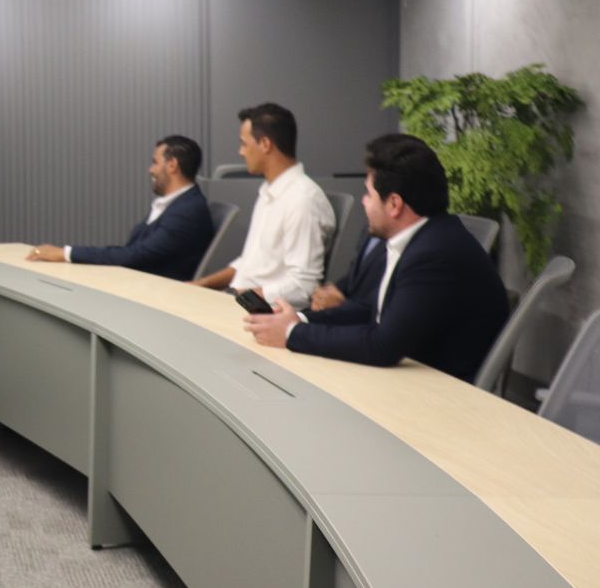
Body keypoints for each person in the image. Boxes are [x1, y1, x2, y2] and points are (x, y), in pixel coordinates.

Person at [245, 134, 510, 382]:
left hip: (439, 391)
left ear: (394, 204)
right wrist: (300, 320)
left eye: (369, 194)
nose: (364, 202)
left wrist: (291, 334)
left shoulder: (434, 254)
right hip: (411, 374)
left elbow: (383, 346)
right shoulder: (420, 238)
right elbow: (371, 311)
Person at [194, 103, 334, 310]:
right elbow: (250, 264)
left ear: (265, 144)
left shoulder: (303, 199)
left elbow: (303, 287)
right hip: (241, 301)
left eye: (244, 144)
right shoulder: (269, 191)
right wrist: (201, 285)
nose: (241, 151)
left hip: (262, 312)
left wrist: (241, 295)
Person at [26, 135, 214, 280]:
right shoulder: (175, 204)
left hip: (157, 297)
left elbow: (135, 256)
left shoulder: (187, 212)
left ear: (172, 165)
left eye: (155, 162)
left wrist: (66, 253)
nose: (151, 170)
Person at [307, 227, 387, 312]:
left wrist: (342, 305)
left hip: (359, 314)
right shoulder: (370, 228)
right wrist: (327, 293)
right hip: (345, 309)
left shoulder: (387, 237)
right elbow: (354, 275)